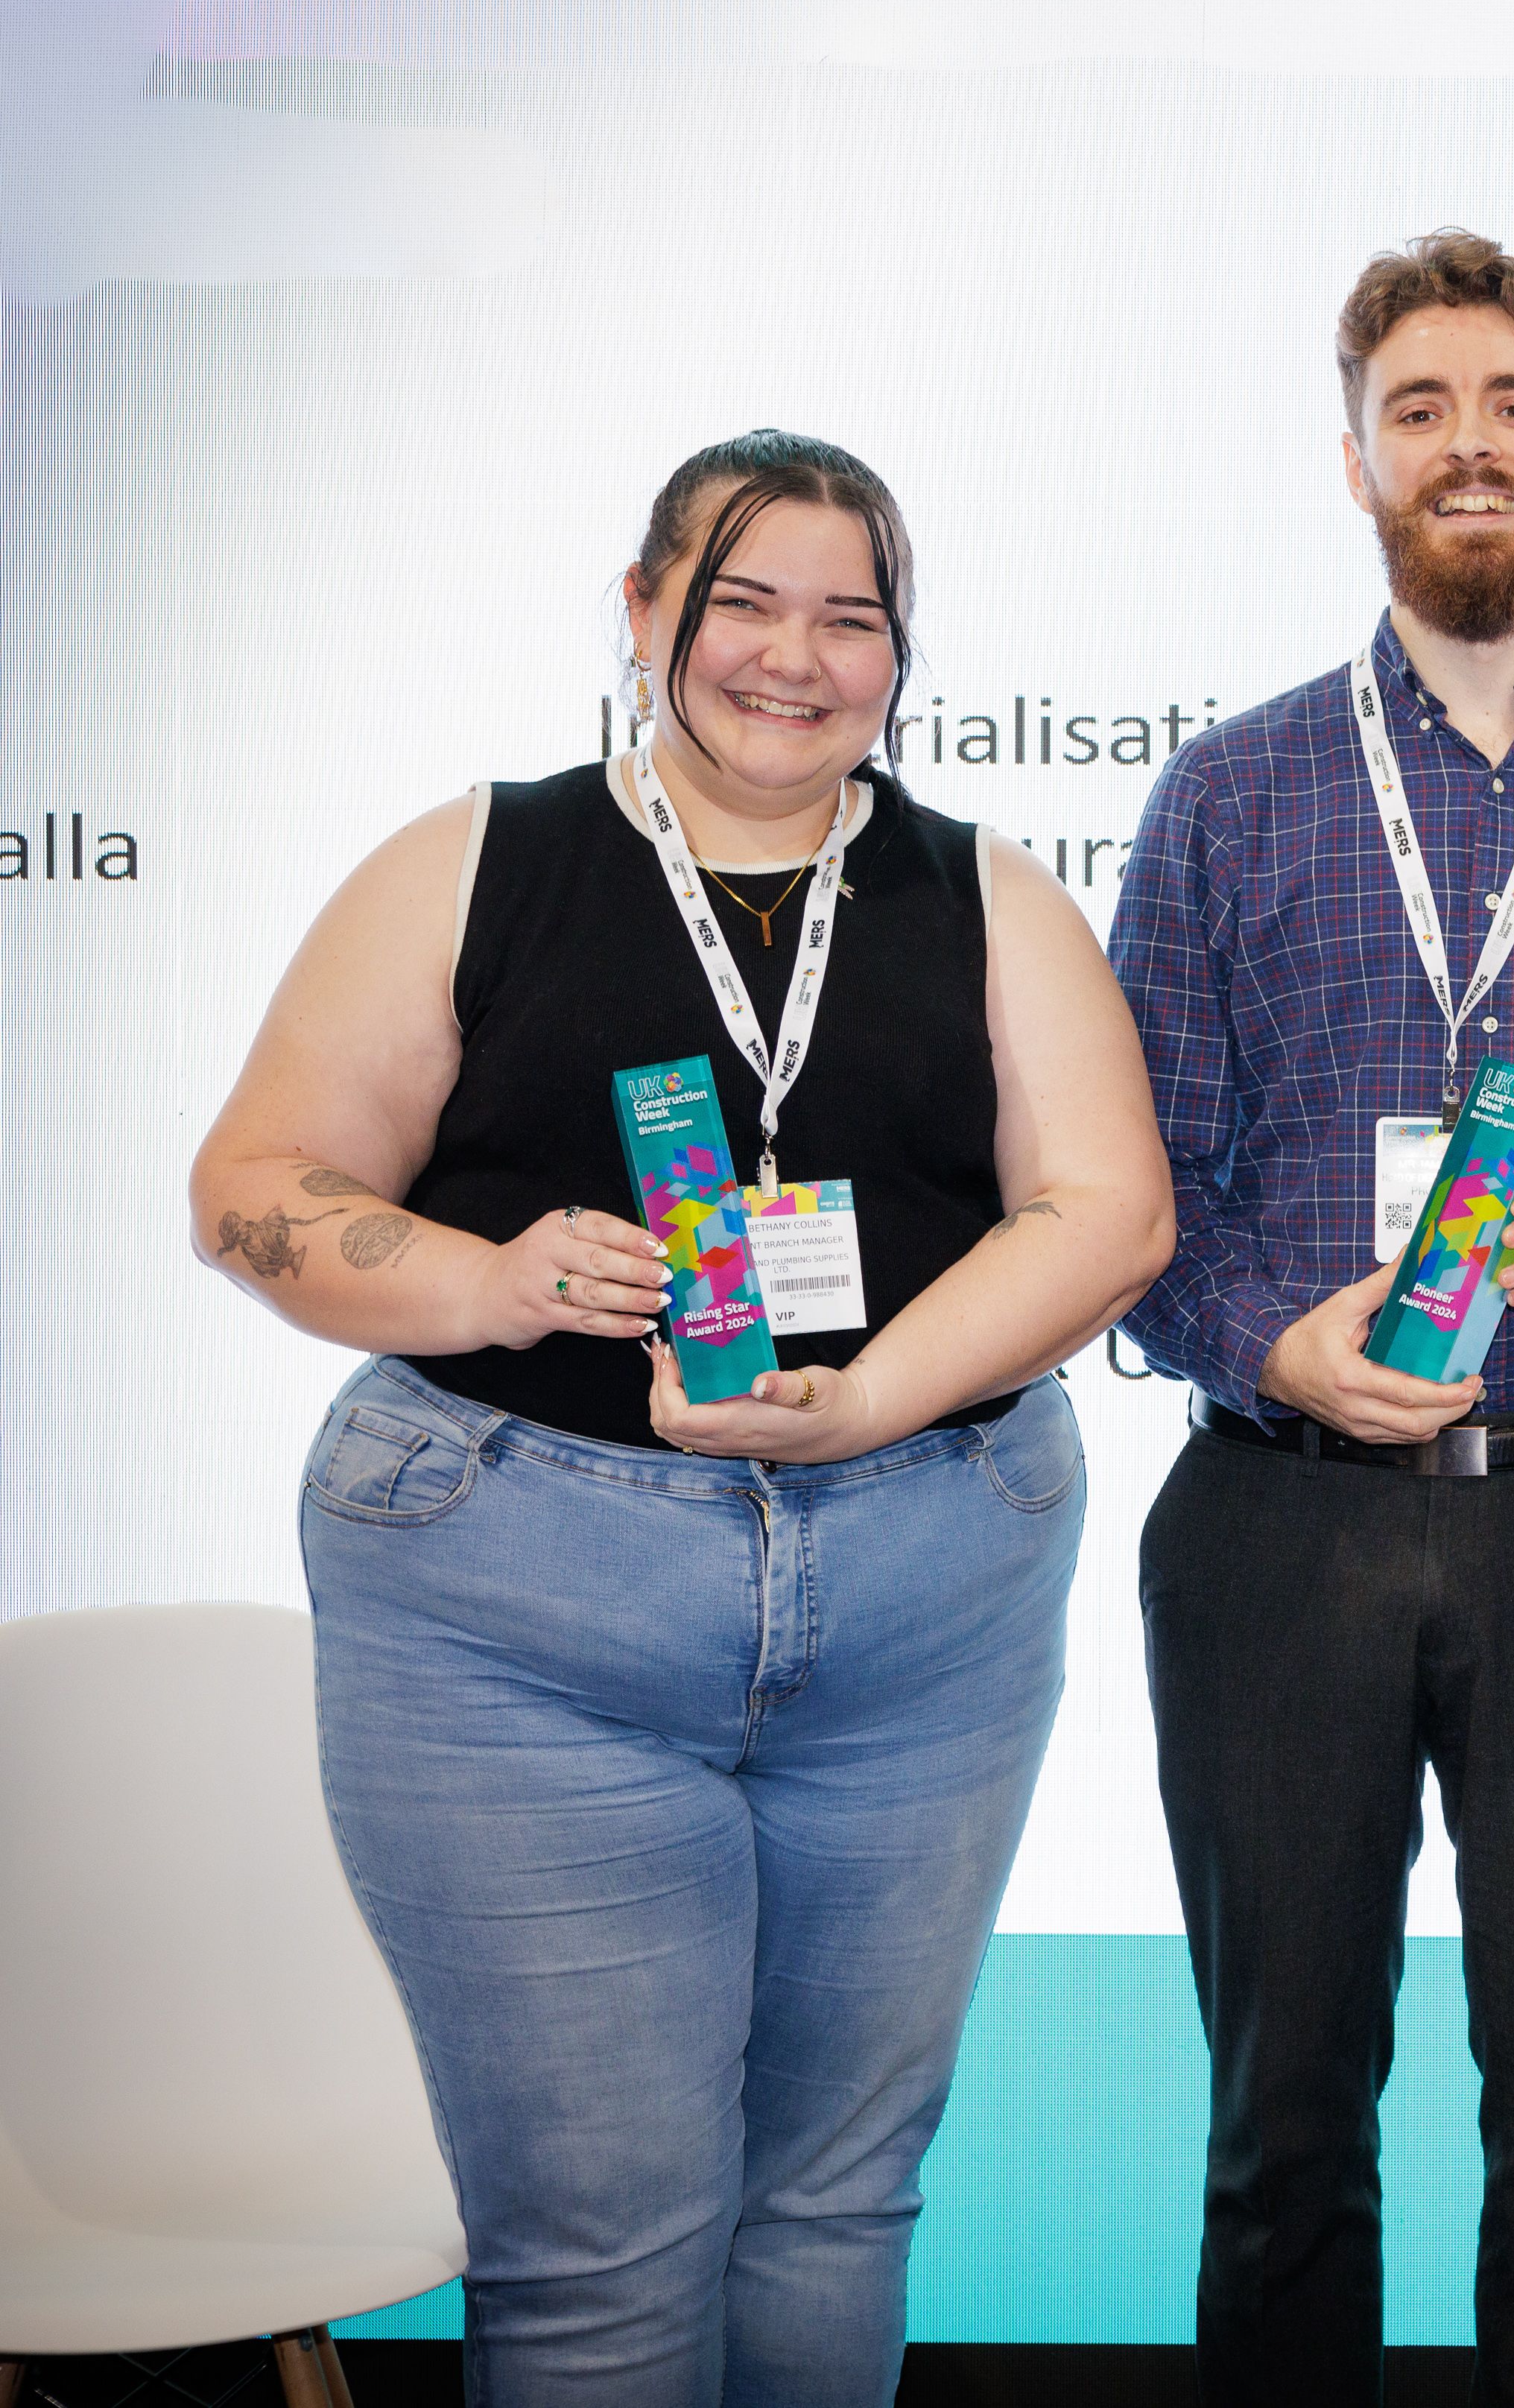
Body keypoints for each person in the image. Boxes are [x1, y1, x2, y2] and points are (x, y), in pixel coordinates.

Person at [187, 428, 1175, 2400]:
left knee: (836, 2204)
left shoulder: (984, 892)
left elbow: (1108, 1210)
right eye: (743, 603)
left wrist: (872, 1394)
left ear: (904, 655)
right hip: (520, 1607)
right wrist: (484, 1280)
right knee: (596, 2255)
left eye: (852, 616)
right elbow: (254, 1189)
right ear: (645, 614)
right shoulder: (481, 860)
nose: (794, 657)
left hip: (924, 1595)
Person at [1106, 229, 1514, 2407]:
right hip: (1279, 1517)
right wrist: (1265, 1342)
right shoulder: (1228, 788)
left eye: (1513, 405)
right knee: (1277, 2138)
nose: (1469, 445)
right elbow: (1149, 1201)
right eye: (1422, 410)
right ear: (1355, 458)